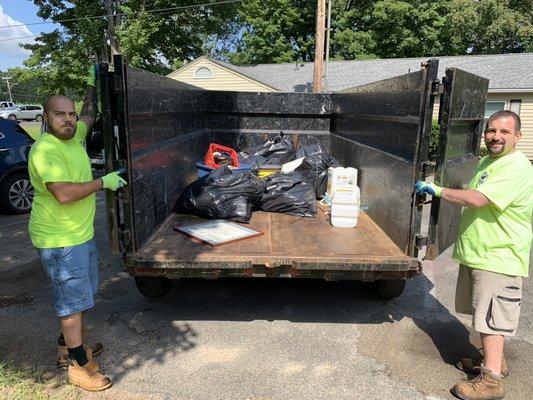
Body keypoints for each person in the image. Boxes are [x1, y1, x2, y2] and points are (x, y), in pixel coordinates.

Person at [415, 110, 533, 400]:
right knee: (483, 315)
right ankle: (494, 362)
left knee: (492, 318)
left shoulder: (516, 166)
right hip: (480, 253)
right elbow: (473, 190)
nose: (495, 136)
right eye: (491, 131)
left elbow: (478, 199)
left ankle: (492, 381)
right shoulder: (487, 162)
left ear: (517, 136)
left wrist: (437, 189)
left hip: (499, 256)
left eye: (504, 132)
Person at [28, 67, 127, 392]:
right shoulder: (46, 150)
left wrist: (91, 83)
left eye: (70, 114)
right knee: (71, 306)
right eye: (60, 114)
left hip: (78, 235)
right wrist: (103, 182)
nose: (68, 119)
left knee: (80, 298)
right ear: (45, 117)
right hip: (60, 240)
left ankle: (66, 348)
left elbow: (89, 113)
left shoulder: (76, 136)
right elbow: (64, 193)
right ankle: (78, 366)